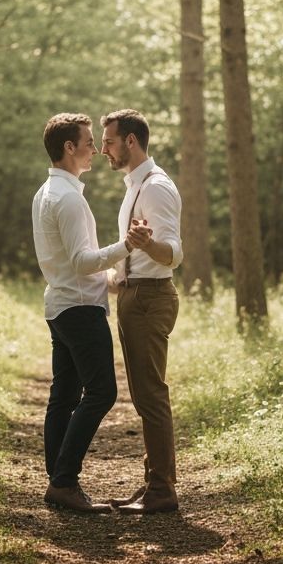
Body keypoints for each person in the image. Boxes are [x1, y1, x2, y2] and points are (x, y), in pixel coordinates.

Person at [32, 113, 150, 513]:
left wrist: (110, 282)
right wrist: (127, 245)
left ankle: (59, 483)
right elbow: (83, 262)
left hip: (61, 304)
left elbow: (68, 262)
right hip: (79, 310)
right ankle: (63, 481)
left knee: (63, 396)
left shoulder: (45, 193)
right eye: (87, 142)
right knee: (101, 393)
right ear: (69, 148)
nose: (95, 150)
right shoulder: (68, 198)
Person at [99, 109, 183, 514]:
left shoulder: (155, 188)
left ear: (131, 141)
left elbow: (172, 255)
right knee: (144, 394)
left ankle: (163, 491)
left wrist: (147, 245)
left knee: (151, 395)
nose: (103, 150)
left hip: (151, 299)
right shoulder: (136, 185)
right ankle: (154, 482)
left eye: (109, 142)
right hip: (136, 296)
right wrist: (112, 280)